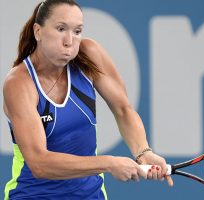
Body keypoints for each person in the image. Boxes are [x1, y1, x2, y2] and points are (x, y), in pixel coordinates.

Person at [3, 0, 173, 199]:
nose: (69, 41)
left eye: (77, 31)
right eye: (60, 29)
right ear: (38, 31)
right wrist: (109, 163)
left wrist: (143, 151)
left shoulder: (89, 54)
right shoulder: (19, 83)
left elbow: (123, 110)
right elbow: (39, 163)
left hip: (91, 195)